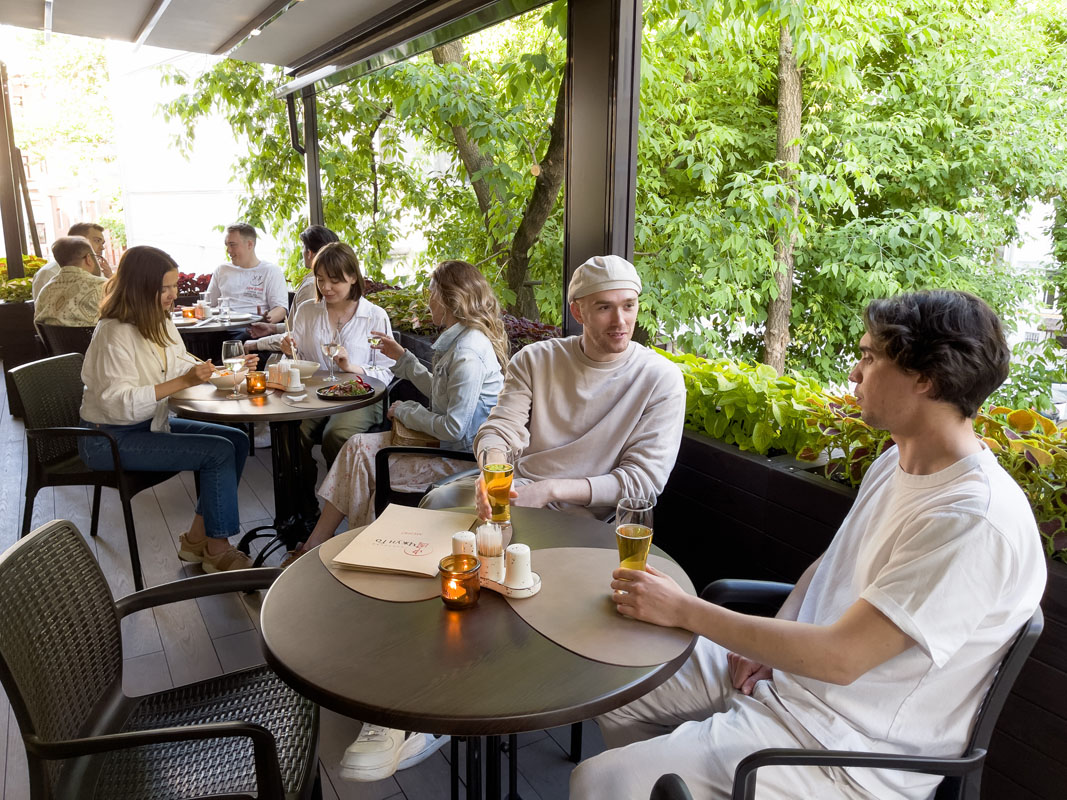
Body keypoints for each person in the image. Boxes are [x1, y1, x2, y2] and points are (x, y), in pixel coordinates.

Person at [569, 290, 1047, 800]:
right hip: (792, 683)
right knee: (616, 684)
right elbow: (832, 562)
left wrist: (684, 610)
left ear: (924, 377)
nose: (854, 373)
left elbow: (843, 658)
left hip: (846, 750)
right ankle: (669, 774)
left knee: (598, 783)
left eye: (869, 357)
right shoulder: (899, 461)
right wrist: (778, 629)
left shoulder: (972, 520)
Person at [311, 260, 508, 784]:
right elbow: (440, 395)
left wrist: (402, 415)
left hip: (460, 465)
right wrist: (403, 363)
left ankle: (346, 550)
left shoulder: (468, 350)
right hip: (446, 448)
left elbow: (453, 426)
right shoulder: (457, 341)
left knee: (361, 452)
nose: (426, 301)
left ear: (450, 298)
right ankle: (335, 547)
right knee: (357, 447)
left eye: (431, 294)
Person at [421, 254, 686, 522]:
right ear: (577, 311)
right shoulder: (535, 359)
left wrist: (548, 490)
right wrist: (493, 474)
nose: (620, 321)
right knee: (434, 505)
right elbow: (499, 429)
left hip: (591, 517)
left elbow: (643, 482)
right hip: (519, 492)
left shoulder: (661, 378)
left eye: (628, 306)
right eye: (604, 308)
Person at [79, 245, 259, 572]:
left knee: (237, 440)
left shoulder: (158, 321)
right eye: (164, 287)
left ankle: (195, 540)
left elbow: (180, 365)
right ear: (139, 286)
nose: (172, 294)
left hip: (151, 423)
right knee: (217, 451)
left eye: (174, 286)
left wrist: (223, 369)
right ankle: (217, 549)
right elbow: (117, 404)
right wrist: (185, 382)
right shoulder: (114, 332)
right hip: (108, 439)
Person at [283, 242, 395, 498]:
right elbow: (296, 358)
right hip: (314, 393)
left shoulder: (374, 316)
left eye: (335, 280)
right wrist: (290, 351)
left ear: (353, 277)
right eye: (320, 280)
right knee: (290, 433)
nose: (326, 288)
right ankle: (305, 508)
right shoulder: (307, 311)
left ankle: (347, 501)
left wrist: (350, 367)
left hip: (362, 394)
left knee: (337, 434)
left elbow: (386, 371)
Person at [244, 224, 340, 353]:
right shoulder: (315, 281)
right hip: (297, 348)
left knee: (239, 348)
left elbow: (300, 337)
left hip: (299, 355)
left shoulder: (314, 286)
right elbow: (301, 327)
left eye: (302, 248)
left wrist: (257, 344)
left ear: (310, 253)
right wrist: (272, 328)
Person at [205, 222, 288, 322]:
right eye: (227, 245)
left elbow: (280, 309)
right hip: (221, 324)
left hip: (251, 326)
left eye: (232, 245)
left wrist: (265, 321)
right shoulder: (222, 269)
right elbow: (208, 304)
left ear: (249, 244)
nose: (228, 250)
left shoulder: (271, 271)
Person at [33, 236, 107, 327]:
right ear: (88, 258)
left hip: (54, 341)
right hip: (97, 340)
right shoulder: (103, 285)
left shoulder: (45, 290)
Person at [31, 222, 112, 300]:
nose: (102, 247)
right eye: (97, 241)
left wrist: (110, 277)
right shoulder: (48, 273)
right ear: (78, 240)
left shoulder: (100, 272)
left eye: (102, 243)